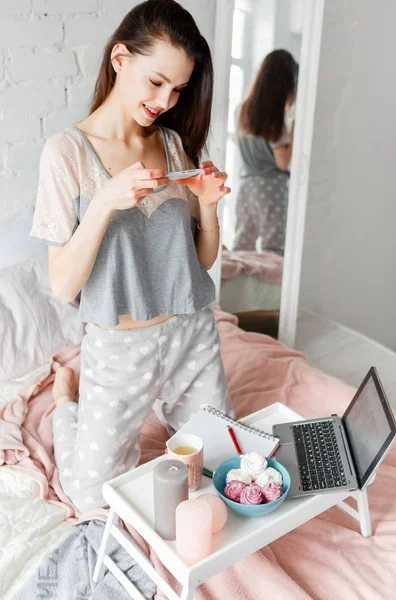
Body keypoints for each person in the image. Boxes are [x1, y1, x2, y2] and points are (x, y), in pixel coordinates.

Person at [30, 0, 233, 511]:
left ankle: (173, 411)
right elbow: (63, 284)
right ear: (121, 58)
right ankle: (64, 401)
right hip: (121, 353)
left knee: (219, 468)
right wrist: (104, 202)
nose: (166, 100)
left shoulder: (169, 145)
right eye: (156, 82)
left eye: (179, 89)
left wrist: (207, 208)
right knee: (91, 496)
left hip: (191, 335)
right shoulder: (67, 154)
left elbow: (199, 262)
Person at [233, 49, 299, 255]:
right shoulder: (275, 119)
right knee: (274, 248)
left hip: (246, 185)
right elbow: (283, 162)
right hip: (272, 187)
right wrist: (296, 128)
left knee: (242, 245)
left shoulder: (242, 110)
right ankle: (268, 288)